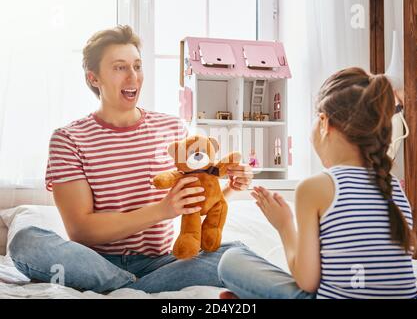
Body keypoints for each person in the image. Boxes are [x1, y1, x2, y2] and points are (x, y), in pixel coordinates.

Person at [8, 25, 253, 294]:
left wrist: (230, 187)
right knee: (26, 241)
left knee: (237, 255)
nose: (133, 76)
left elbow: (197, 201)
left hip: (163, 262)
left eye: (137, 66)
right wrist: (162, 210)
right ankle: (132, 286)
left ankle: (126, 288)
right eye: (119, 67)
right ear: (94, 78)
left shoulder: (172, 129)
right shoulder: (68, 139)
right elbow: (81, 230)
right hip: (95, 262)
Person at [218, 67, 417, 299]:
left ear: (324, 122)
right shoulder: (393, 185)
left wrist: (284, 224)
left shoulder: (315, 188)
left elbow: (308, 282)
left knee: (231, 260)